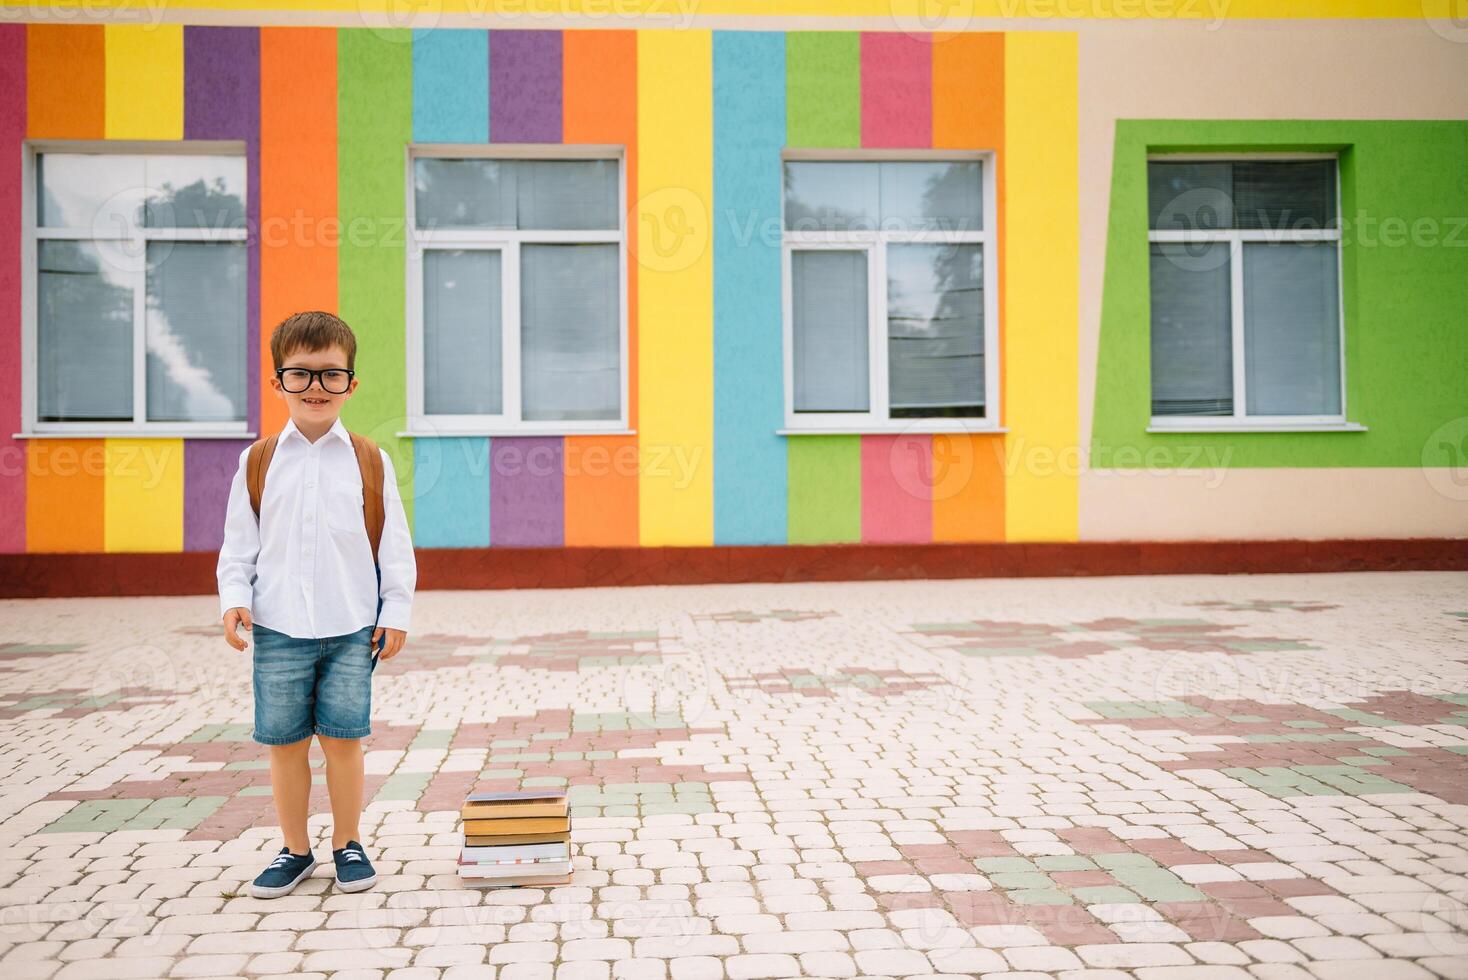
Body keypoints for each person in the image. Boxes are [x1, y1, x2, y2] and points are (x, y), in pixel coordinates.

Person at [217, 310, 416, 899]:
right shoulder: (257, 462)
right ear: (278, 382)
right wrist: (234, 598)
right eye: (300, 375)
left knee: (344, 742)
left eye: (330, 375)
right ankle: (295, 849)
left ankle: (347, 842)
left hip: (352, 627)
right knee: (283, 745)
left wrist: (395, 610)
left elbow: (394, 542)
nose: (315, 389)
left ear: (351, 383)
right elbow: (239, 543)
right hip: (278, 628)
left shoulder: (368, 459)